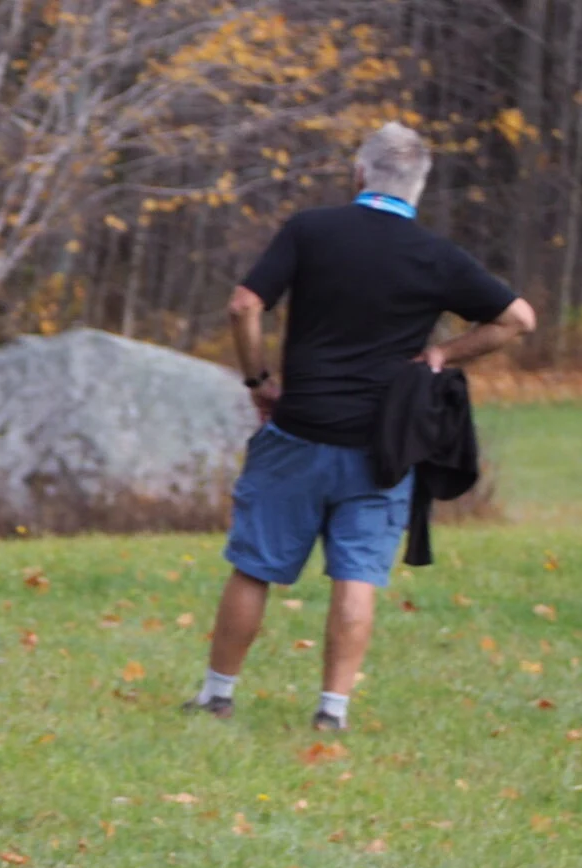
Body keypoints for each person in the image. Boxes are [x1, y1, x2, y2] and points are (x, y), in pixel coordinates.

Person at [185, 123, 535, 732]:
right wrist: (442, 355)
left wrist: (258, 379)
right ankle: (331, 712)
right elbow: (517, 319)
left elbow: (245, 304)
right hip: (381, 446)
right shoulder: (436, 256)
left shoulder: (311, 231)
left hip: (297, 432)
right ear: (418, 188)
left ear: (358, 174)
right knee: (357, 575)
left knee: (256, 567)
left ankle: (217, 696)